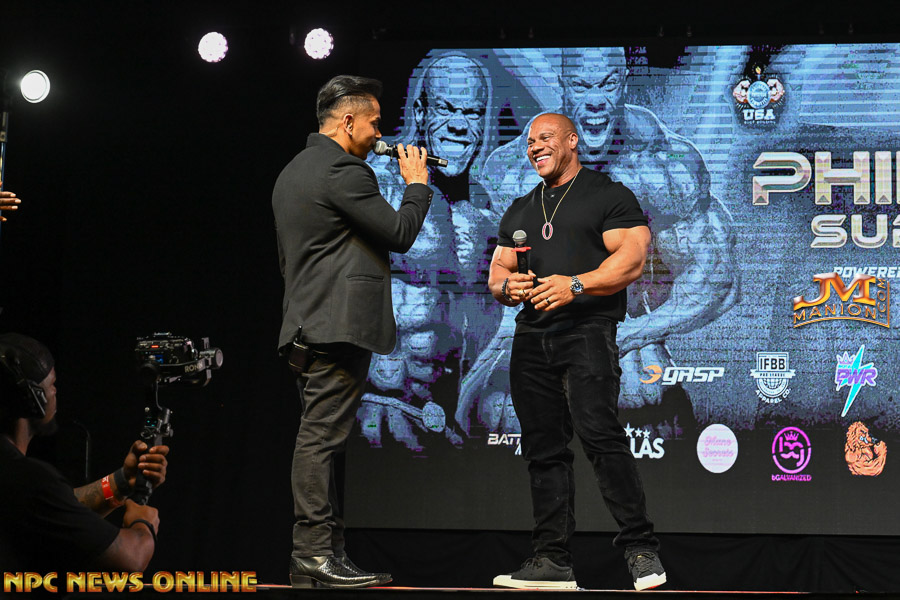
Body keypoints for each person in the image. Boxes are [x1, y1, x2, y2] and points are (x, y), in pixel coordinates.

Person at [478, 47, 737, 437]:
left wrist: (631, 335)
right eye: (582, 85)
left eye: (608, 84)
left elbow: (716, 278)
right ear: (563, 86)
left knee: (639, 388)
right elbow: (487, 279)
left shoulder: (659, 165)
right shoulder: (516, 171)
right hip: (542, 347)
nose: (596, 100)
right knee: (501, 407)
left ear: (625, 83)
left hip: (627, 353)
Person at [488, 113, 665, 591]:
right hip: (531, 337)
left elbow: (632, 258)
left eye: (545, 138)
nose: (535, 147)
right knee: (543, 450)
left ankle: (641, 550)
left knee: (600, 437)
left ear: (572, 141)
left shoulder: (607, 195)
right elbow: (498, 272)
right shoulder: (521, 208)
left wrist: (576, 285)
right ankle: (552, 560)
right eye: (530, 141)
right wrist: (508, 287)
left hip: (587, 330)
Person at [272, 74, 432, 588]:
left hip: (306, 324)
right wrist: (417, 185)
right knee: (319, 439)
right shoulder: (343, 170)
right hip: (336, 327)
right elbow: (400, 233)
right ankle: (313, 552)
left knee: (321, 438)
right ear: (347, 121)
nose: (379, 133)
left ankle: (326, 555)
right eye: (374, 123)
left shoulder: (293, 171)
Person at [358, 51, 510, 450]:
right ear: (421, 112)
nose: (460, 125)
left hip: (445, 423)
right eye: (446, 109)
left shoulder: (487, 212)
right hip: (376, 408)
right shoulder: (379, 186)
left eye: (473, 113)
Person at [0, 332, 169, 573]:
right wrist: (143, 523)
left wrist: (121, 482)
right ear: (33, 398)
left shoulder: (19, 481)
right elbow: (131, 558)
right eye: (52, 384)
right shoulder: (30, 480)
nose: (55, 392)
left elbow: (54, 509)